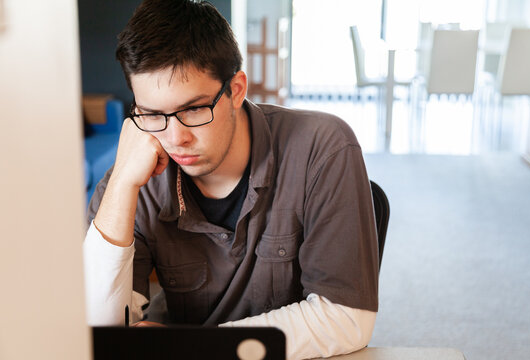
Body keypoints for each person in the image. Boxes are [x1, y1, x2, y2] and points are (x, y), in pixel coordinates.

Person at [83, 0, 379, 359]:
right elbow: (95, 334)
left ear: (236, 89)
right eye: (151, 113)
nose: (175, 137)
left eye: (193, 109)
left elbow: (346, 319)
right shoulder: (132, 177)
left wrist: (192, 347)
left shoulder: (323, 146)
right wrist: (122, 186)